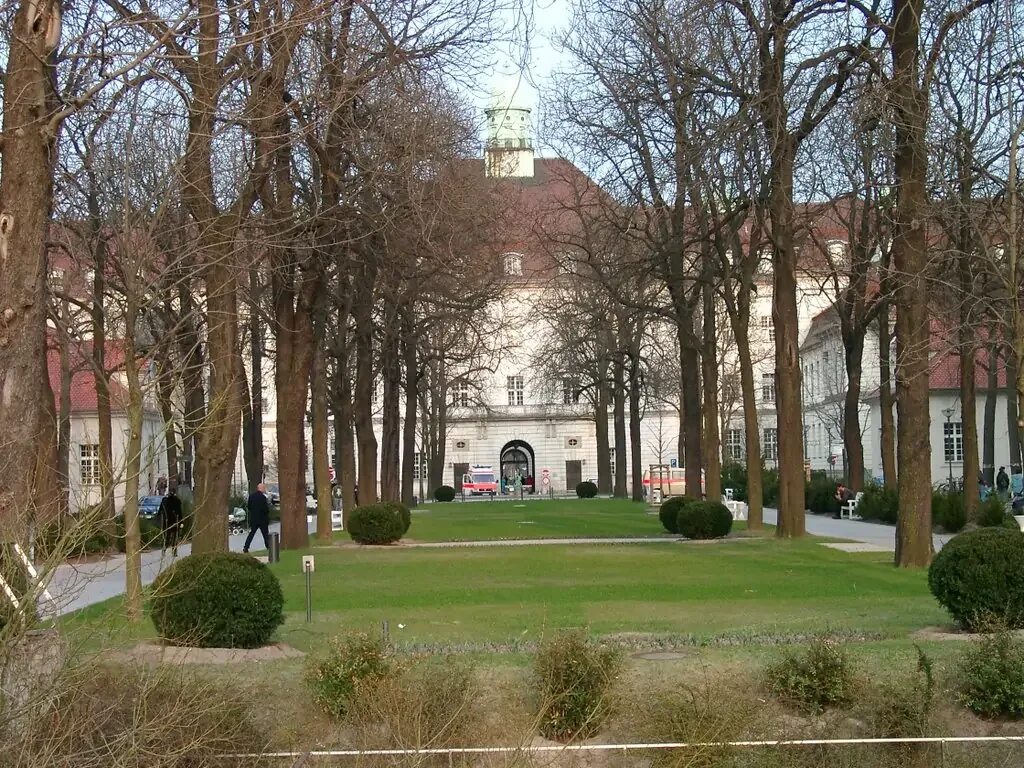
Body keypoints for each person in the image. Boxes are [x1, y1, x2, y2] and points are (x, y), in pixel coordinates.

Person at [243, 482, 271, 554]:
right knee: (265, 534)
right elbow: (265, 509)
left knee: (252, 533)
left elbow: (249, 506)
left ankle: (246, 547)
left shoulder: (251, 496)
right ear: (261, 488)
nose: (264, 489)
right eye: (264, 488)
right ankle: (268, 546)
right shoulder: (263, 498)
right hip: (262, 519)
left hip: (254, 519)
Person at [158, 486, 183, 557]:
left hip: (167, 521)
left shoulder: (165, 500)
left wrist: (159, 519)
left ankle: (164, 550)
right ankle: (174, 551)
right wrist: (181, 521)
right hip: (175, 521)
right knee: (174, 537)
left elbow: (160, 511)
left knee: (167, 537)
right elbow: (180, 512)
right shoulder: (177, 500)